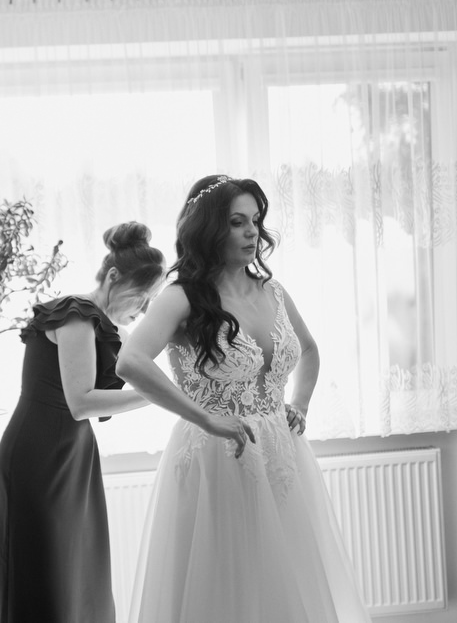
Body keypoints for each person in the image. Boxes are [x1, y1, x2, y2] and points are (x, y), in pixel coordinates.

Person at [116, 175, 371, 622]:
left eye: (255, 220)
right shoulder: (180, 297)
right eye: (237, 222)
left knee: (284, 582)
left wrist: (300, 404)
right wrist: (206, 418)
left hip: (281, 453)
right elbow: (130, 361)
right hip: (217, 456)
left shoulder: (272, 291)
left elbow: (309, 350)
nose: (252, 231)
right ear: (209, 229)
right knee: (225, 589)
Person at [0, 221, 166, 623]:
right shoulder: (75, 315)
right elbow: (81, 402)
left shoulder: (109, 327)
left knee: (81, 577)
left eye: (151, 302)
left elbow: (144, 364)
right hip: (38, 458)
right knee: (46, 578)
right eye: (142, 297)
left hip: (74, 457)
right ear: (113, 276)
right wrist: (156, 395)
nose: (143, 310)